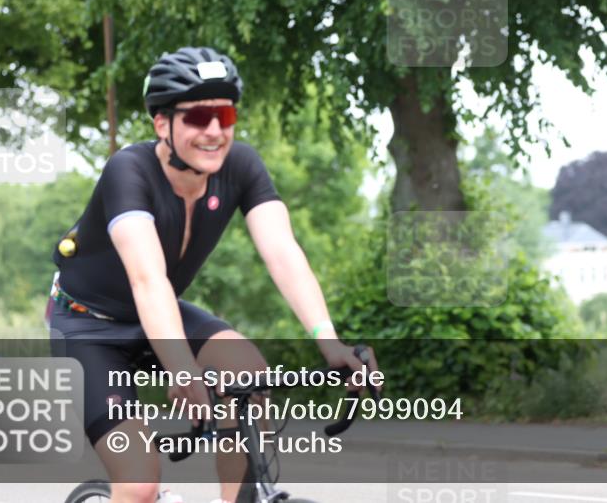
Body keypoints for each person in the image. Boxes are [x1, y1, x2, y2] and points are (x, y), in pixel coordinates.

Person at [49, 47, 378, 503]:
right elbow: (148, 280)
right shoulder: (129, 171)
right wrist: (183, 369)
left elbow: (283, 253)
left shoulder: (241, 165)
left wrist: (330, 342)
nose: (214, 132)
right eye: (198, 118)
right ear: (161, 124)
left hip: (161, 314)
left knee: (250, 375)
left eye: (224, 116)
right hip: (88, 326)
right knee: (139, 485)